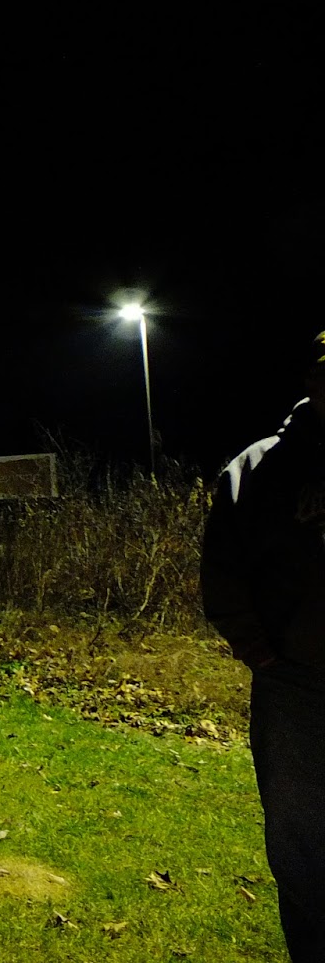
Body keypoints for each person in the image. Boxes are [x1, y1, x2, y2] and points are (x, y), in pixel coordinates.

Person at [201, 331, 325, 961]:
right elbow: (223, 572)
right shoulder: (256, 468)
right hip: (297, 682)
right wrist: (260, 651)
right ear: (311, 378)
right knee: (303, 839)